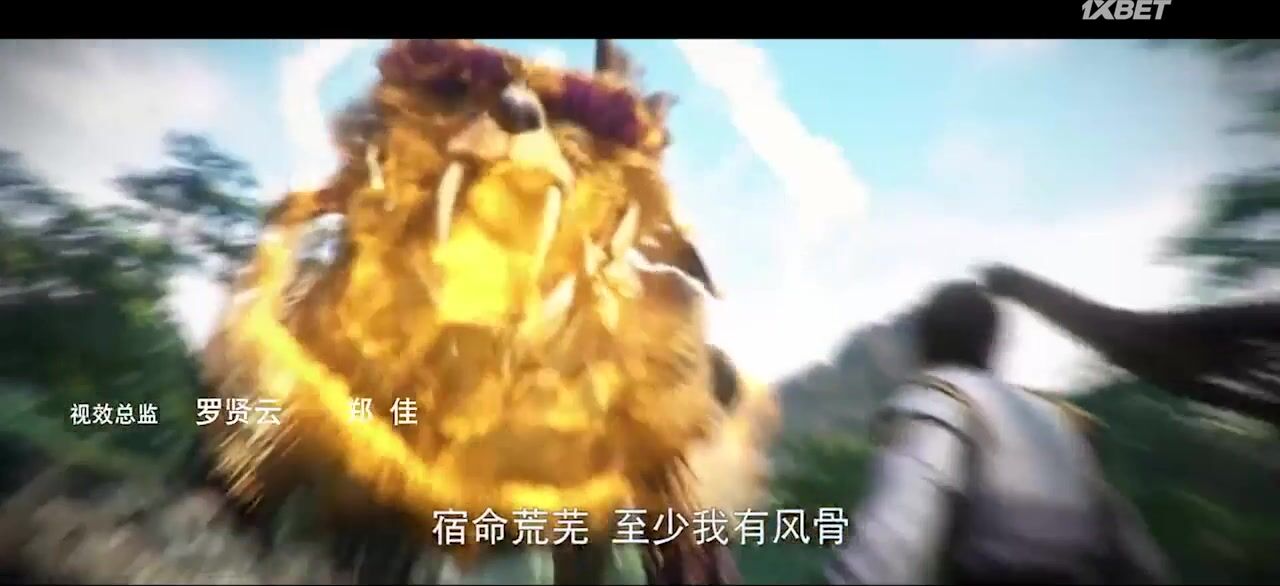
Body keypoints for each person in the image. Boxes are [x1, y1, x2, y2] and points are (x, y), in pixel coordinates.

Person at [826, 281, 1171, 585]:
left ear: (924, 343)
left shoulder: (939, 402)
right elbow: (1136, 556)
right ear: (992, 346)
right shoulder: (1061, 423)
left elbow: (891, 546)